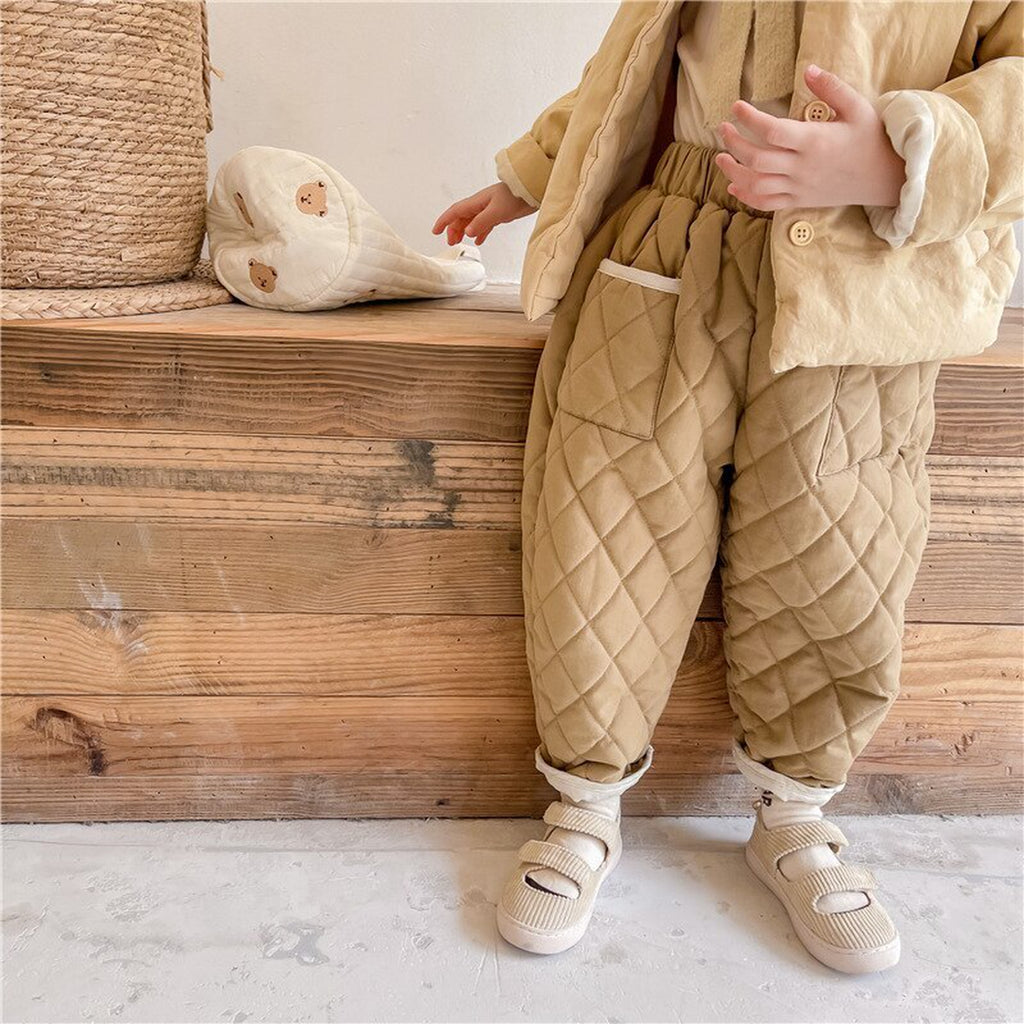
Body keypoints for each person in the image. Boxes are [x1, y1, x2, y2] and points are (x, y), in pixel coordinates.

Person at [433, 0, 1022, 974]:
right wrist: (528, 174)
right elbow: (632, 66)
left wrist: (897, 159)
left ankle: (795, 814)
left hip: (866, 269)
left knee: (839, 542)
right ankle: (583, 806)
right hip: (666, 243)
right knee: (603, 517)